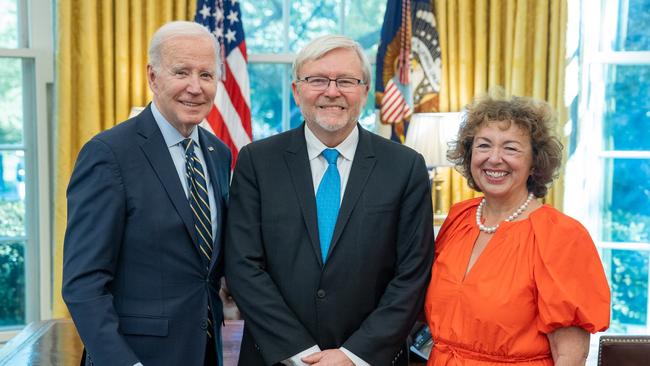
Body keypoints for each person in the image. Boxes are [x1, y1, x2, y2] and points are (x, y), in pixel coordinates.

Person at [225, 34, 435, 366]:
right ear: (296, 90)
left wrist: (353, 355)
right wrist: (301, 353)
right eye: (317, 80)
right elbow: (243, 265)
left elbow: (412, 274)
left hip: (371, 358)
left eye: (346, 81)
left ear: (365, 91)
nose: (332, 91)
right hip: (277, 358)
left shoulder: (405, 167)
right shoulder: (256, 162)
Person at [62, 21, 231, 366]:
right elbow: (83, 284)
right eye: (182, 72)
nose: (195, 88)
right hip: (135, 356)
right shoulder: (109, 154)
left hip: (204, 352)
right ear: (153, 77)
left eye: (207, 75)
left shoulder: (218, 152)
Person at [424, 92, 611, 365]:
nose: (494, 159)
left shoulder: (561, 236)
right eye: (483, 146)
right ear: (469, 153)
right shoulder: (459, 218)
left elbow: (569, 355)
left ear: (535, 162)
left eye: (510, 148)